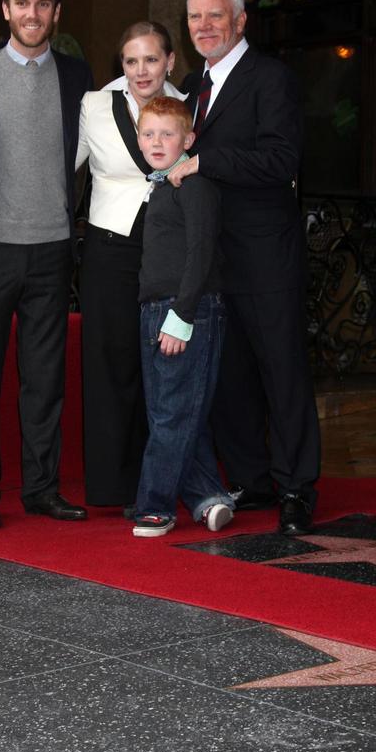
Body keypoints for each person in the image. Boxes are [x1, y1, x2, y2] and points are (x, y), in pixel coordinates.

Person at [169, 0, 320, 536]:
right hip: (211, 261)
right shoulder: (191, 85)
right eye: (195, 18)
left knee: (282, 374)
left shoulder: (271, 79)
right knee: (228, 379)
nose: (204, 26)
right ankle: (255, 480)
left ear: (239, 21)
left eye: (215, 16)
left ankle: (297, 486)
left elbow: (281, 161)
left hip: (265, 257)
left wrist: (209, 162)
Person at [0, 0, 92, 529]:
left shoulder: (79, 77)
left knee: (45, 376)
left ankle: (41, 488)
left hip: (54, 248)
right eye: (22, 3)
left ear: (57, 12)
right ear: (4, 10)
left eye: (43, 4)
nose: (32, 14)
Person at [75, 22, 186, 511]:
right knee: (110, 362)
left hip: (165, 249)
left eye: (150, 59)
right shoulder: (94, 105)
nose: (141, 70)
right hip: (108, 248)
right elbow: (64, 164)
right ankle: (109, 485)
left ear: (169, 61)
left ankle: (157, 481)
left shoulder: (188, 107)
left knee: (162, 367)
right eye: (130, 61)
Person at [132, 96, 234, 537]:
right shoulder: (162, 186)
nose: (157, 141)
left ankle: (154, 506)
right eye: (149, 133)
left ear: (188, 139)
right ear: (138, 140)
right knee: (172, 412)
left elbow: (200, 252)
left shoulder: (195, 186)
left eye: (167, 134)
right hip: (156, 310)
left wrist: (182, 315)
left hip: (185, 311)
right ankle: (208, 497)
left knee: (174, 413)